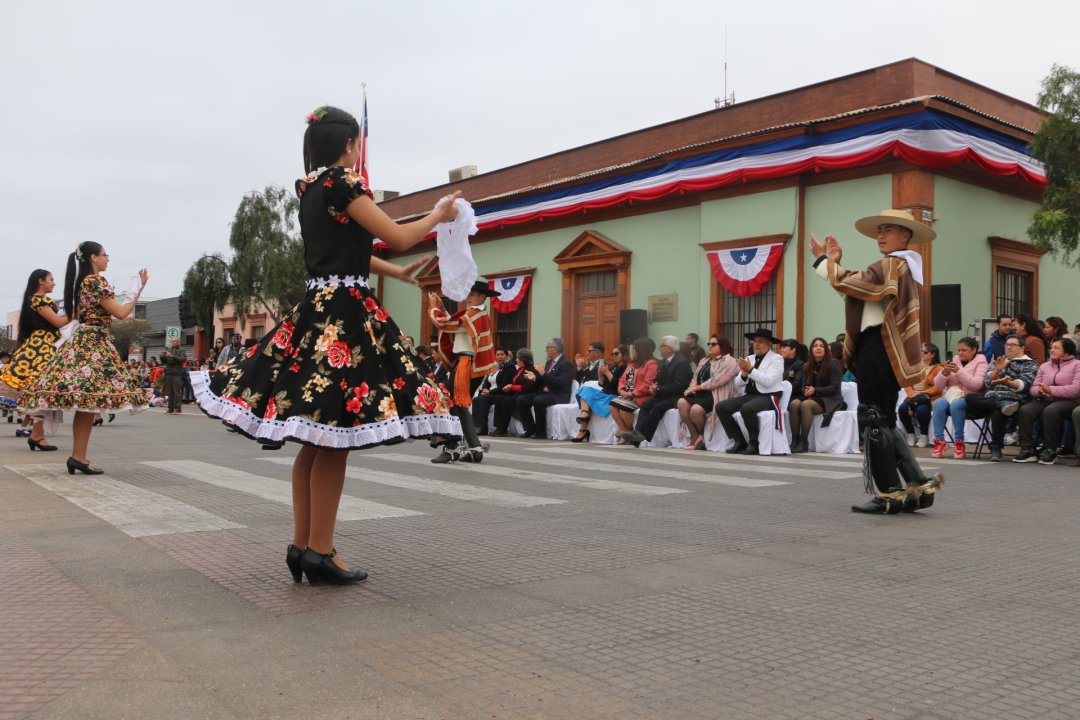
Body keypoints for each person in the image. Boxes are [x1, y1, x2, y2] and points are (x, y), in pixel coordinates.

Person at [192, 105, 461, 586]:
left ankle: (303, 545)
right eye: (357, 143)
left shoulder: (312, 189)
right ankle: (320, 550)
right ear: (349, 144)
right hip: (344, 316)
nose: (359, 150)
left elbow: (344, 249)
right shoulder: (345, 182)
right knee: (333, 437)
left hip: (316, 308)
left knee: (315, 443)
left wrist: (393, 272)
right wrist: (438, 216)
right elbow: (396, 235)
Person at [810, 209, 942, 513]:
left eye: (889, 230)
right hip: (886, 348)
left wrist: (824, 263)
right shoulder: (904, 266)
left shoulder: (892, 263)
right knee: (883, 417)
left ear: (905, 235)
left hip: (878, 345)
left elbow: (856, 284)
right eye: (879, 231)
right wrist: (834, 266)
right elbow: (858, 289)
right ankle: (918, 487)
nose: (881, 236)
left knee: (872, 416)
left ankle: (889, 494)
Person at [19, 243, 148, 474]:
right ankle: (78, 456)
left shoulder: (85, 282)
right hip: (93, 343)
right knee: (89, 401)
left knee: (88, 404)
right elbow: (120, 313)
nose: (107, 259)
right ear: (93, 257)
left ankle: (78, 457)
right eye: (104, 255)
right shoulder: (93, 282)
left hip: (87, 340)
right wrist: (137, 289)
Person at [428, 280, 500, 463]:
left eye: (472, 294)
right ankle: (474, 450)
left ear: (482, 296)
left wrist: (433, 309)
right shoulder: (474, 315)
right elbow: (455, 324)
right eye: (467, 294)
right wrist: (443, 309)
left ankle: (452, 449)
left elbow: (445, 324)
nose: (468, 298)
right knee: (458, 406)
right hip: (467, 364)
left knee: (453, 404)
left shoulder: (475, 315)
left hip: (467, 364)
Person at [0, 269, 72, 451]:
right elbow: (58, 322)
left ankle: (37, 434)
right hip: (43, 349)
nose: (54, 283)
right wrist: (78, 312)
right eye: (51, 279)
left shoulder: (34, 300)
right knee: (44, 389)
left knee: (44, 391)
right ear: (41, 281)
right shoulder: (38, 300)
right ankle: (36, 435)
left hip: (41, 346)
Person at [965, 334, 1037, 461]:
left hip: (1015, 398)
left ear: (1022, 348)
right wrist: (997, 370)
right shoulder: (999, 360)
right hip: (995, 399)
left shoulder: (1029, 364)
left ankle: (996, 448)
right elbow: (988, 382)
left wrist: (1007, 382)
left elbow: (1025, 385)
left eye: (1012, 345)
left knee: (997, 413)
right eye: (1007, 345)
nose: (1008, 347)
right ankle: (1002, 406)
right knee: (969, 397)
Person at [712, 328, 784, 455]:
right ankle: (739, 440)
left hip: (768, 396)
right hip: (751, 395)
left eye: (761, 341)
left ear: (769, 344)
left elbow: (768, 382)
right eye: (755, 341)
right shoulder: (750, 358)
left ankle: (754, 443)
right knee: (721, 407)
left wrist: (750, 370)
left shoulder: (777, 359)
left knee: (747, 408)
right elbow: (738, 383)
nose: (756, 344)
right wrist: (744, 374)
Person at [1013, 338, 1080, 465]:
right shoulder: (1045, 366)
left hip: (1070, 401)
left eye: (1056, 348)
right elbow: (1033, 388)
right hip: (1046, 399)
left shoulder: (1077, 365)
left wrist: (1051, 390)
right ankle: (1027, 449)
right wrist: (1040, 391)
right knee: (1026, 410)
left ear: (1067, 352)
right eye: (1051, 347)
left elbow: (1076, 390)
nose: (1052, 350)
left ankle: (1051, 449)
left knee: (1051, 410)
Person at [620, 336, 692, 447]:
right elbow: (659, 378)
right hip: (663, 394)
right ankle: (637, 433)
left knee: (657, 408)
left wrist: (659, 389)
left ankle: (644, 436)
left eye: (662, 346)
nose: (659, 349)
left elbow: (679, 385)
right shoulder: (664, 362)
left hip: (677, 396)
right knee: (646, 404)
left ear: (669, 348)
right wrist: (654, 386)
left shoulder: (681, 362)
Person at [929, 337, 988, 459]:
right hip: (951, 395)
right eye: (959, 350)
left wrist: (958, 371)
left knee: (957, 404)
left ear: (973, 350)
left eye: (964, 350)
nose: (960, 353)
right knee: (939, 403)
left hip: (970, 398)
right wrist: (944, 373)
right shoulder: (954, 360)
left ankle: (959, 442)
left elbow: (976, 385)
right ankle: (940, 441)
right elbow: (939, 386)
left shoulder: (981, 362)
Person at [676, 333, 737, 450]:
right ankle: (695, 434)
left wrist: (698, 387)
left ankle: (702, 436)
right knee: (681, 403)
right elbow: (695, 377)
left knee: (695, 410)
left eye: (713, 344)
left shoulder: (729, 361)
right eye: (709, 344)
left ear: (722, 346)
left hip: (715, 394)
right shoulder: (704, 360)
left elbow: (717, 380)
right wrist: (691, 388)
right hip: (700, 394)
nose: (710, 346)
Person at [788, 337, 845, 453]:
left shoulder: (834, 363)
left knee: (806, 405)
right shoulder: (807, 365)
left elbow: (834, 387)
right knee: (794, 404)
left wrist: (815, 390)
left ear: (826, 349)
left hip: (830, 399)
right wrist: (806, 391)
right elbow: (804, 386)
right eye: (815, 346)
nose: (818, 348)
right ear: (811, 350)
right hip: (813, 396)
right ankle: (795, 440)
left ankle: (804, 441)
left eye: (821, 346)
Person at [516, 337, 573, 439]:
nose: (545, 350)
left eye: (547, 347)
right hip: (547, 393)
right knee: (522, 399)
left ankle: (541, 432)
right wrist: (534, 377)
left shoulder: (566, 363)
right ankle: (530, 429)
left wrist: (543, 374)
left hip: (559, 395)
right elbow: (544, 381)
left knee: (539, 400)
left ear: (554, 349)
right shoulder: (549, 362)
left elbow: (562, 383)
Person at [572, 344, 628, 443]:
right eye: (612, 354)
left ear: (623, 355)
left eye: (616, 354)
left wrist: (607, 373)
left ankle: (583, 429)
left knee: (587, 393)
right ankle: (584, 415)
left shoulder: (625, 368)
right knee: (585, 390)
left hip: (613, 395)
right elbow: (602, 384)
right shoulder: (614, 367)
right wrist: (600, 374)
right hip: (605, 393)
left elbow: (617, 385)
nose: (613, 356)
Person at [610, 338, 659, 443]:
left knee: (623, 408)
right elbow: (622, 380)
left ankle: (627, 432)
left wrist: (632, 394)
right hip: (627, 395)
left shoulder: (651, 364)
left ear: (641, 350)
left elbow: (648, 384)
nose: (632, 352)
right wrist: (622, 390)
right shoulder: (631, 363)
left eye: (634, 349)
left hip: (641, 397)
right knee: (612, 404)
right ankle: (626, 430)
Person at [897, 342, 944, 448]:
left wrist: (923, 392)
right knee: (902, 409)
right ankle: (910, 434)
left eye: (925, 352)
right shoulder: (915, 367)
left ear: (933, 354)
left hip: (928, 398)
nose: (921, 353)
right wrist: (912, 393)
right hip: (913, 397)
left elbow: (939, 387)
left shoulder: (938, 369)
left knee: (921, 410)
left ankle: (924, 435)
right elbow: (906, 382)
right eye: (921, 352)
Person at [490, 348, 539, 436]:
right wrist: (509, 387)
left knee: (507, 401)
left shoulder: (530, 369)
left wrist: (512, 387)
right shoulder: (519, 369)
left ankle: (502, 429)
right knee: (499, 398)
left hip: (526, 393)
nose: (516, 360)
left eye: (517, 358)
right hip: (516, 392)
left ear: (522, 359)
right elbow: (514, 382)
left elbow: (528, 387)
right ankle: (498, 426)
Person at [472, 347, 515, 435]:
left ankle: (483, 427)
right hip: (490, 393)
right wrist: (485, 388)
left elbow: (504, 384)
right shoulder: (494, 367)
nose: (499, 357)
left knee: (483, 399)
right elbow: (487, 381)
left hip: (501, 393)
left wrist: (490, 392)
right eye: (497, 355)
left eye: (502, 354)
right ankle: (476, 425)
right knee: (476, 399)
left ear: (507, 356)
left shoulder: (510, 367)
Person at [162, 338, 187, 414]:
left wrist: (172, 356)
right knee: (170, 391)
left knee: (176, 391)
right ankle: (170, 408)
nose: (173, 342)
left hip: (176, 372)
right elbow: (165, 362)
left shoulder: (181, 350)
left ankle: (178, 408)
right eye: (172, 341)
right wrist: (161, 357)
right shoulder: (169, 349)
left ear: (178, 342)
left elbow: (182, 359)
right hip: (169, 372)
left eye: (174, 341)